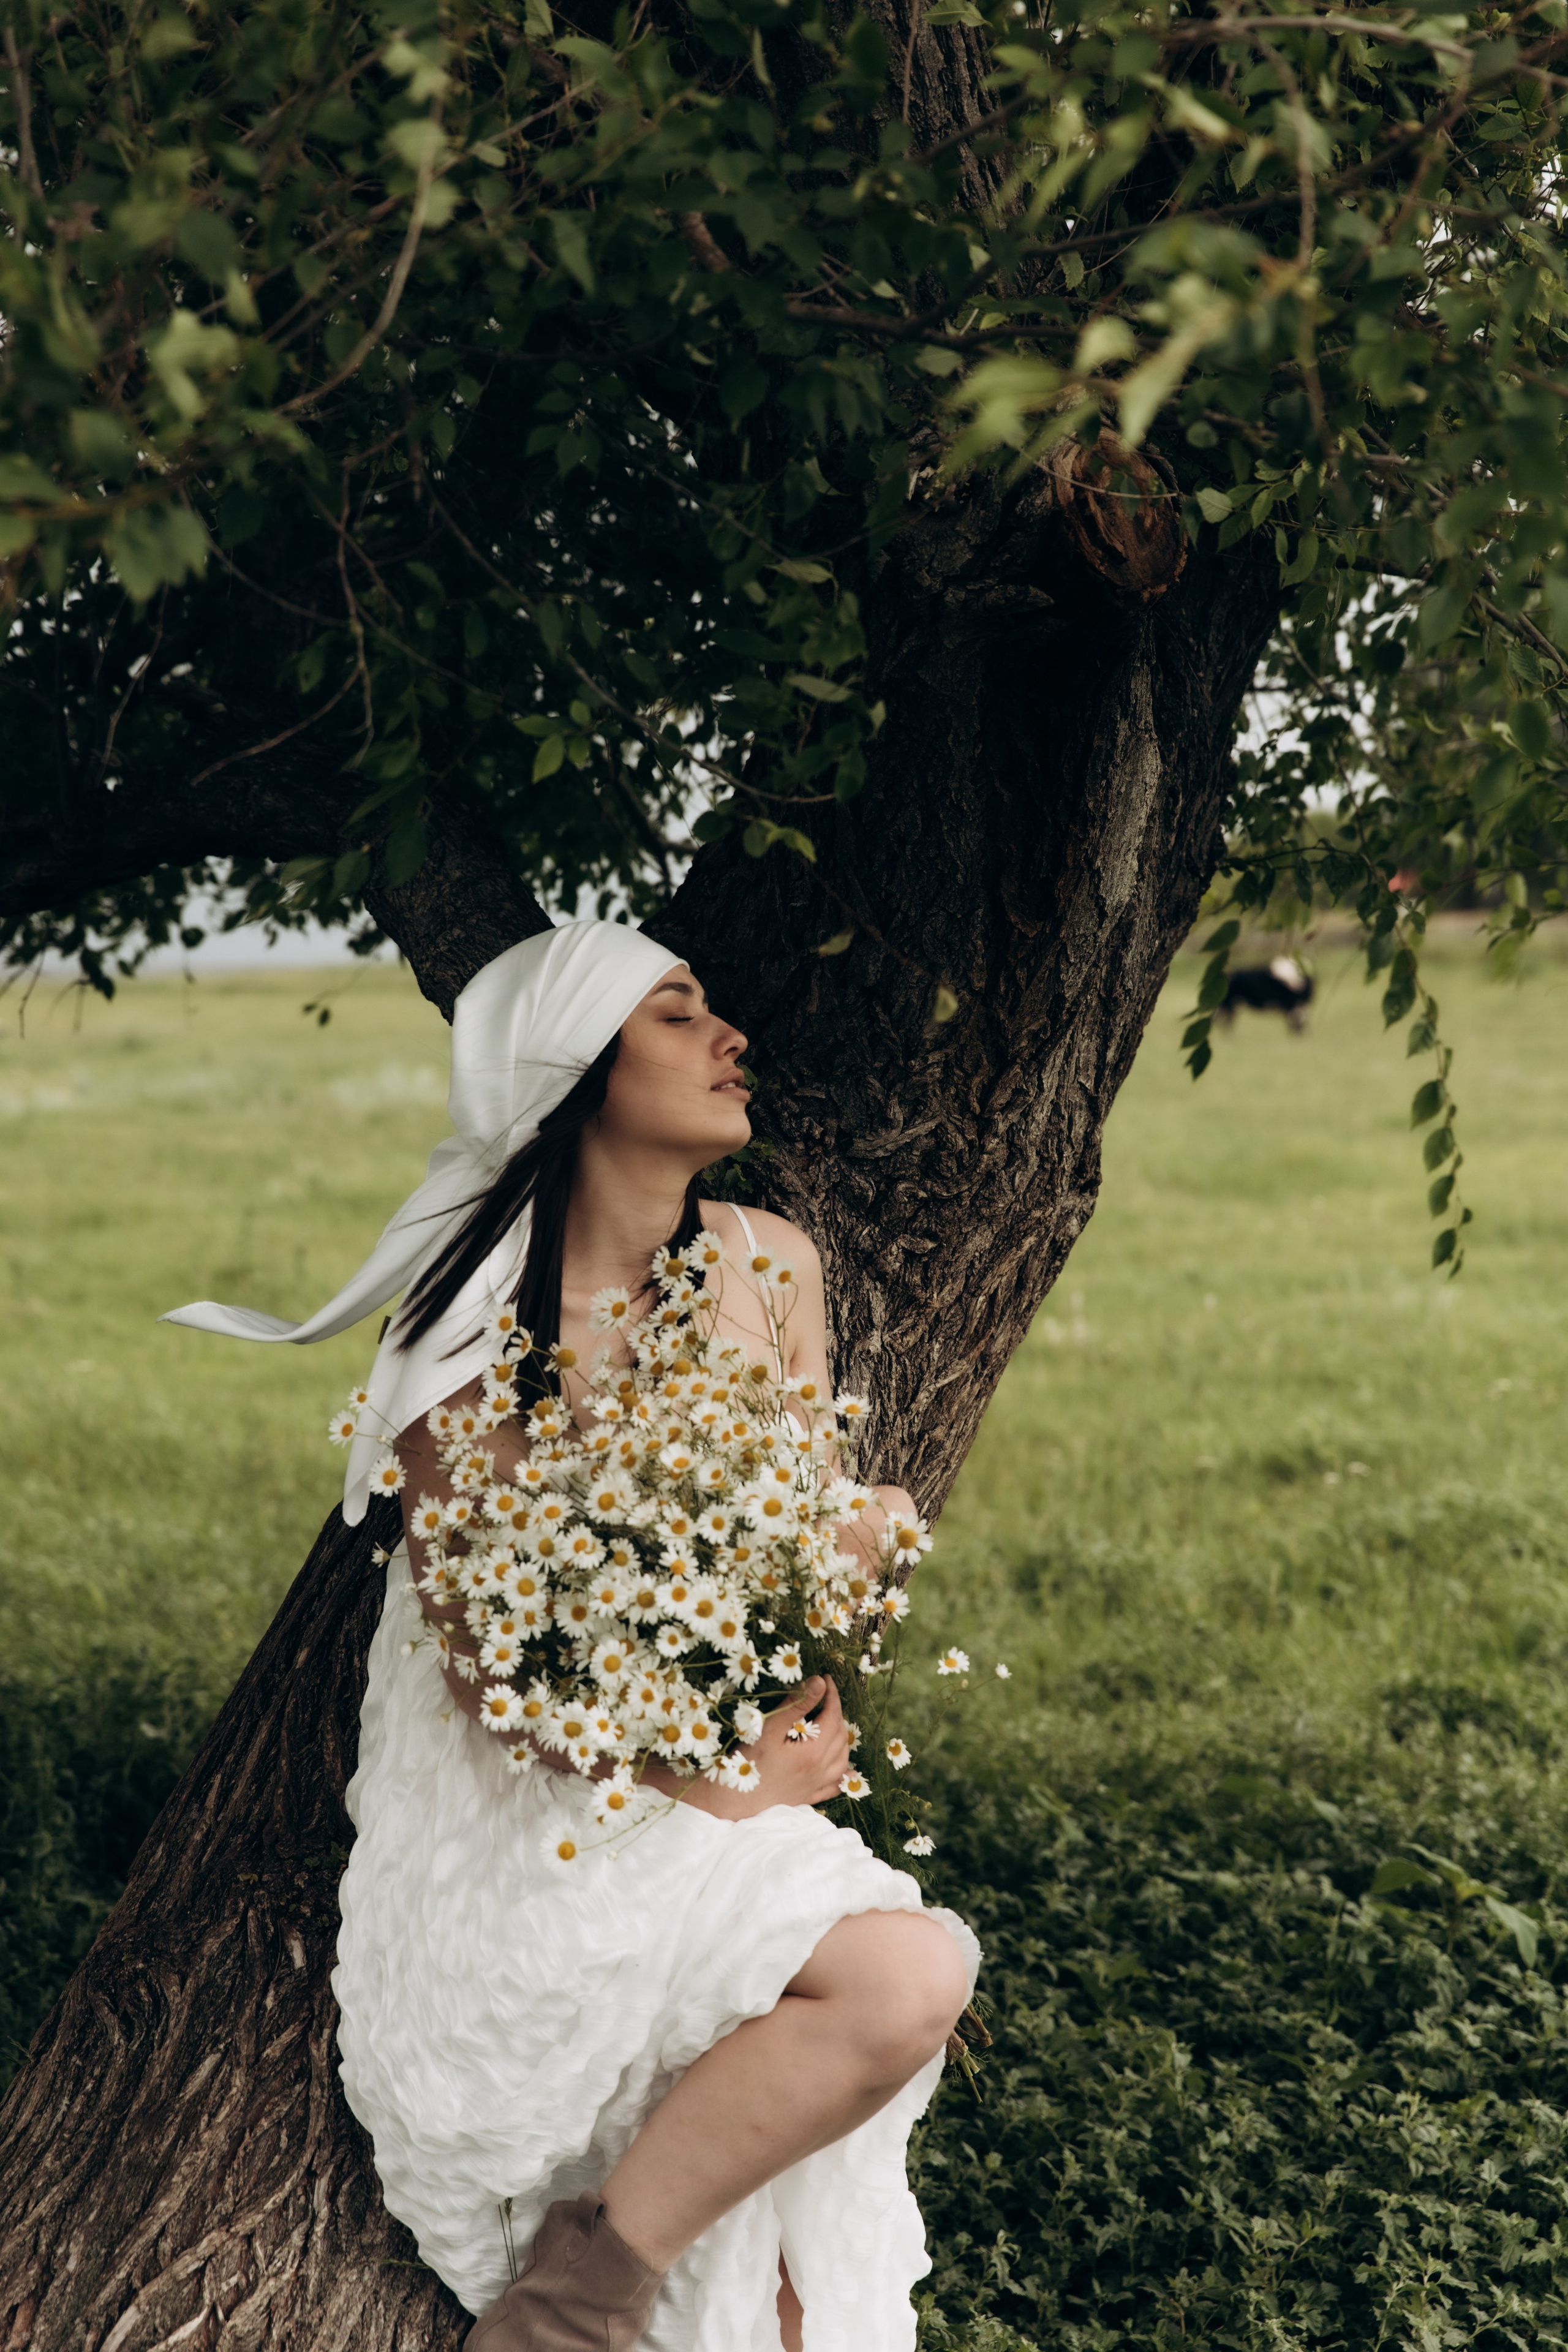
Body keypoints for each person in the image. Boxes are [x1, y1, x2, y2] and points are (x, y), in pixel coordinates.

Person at [163, 919, 977, 2352]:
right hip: (530, 1819)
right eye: (676, 1014)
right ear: (575, 1069)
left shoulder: (770, 1267)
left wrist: (862, 1537)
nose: (728, 1037)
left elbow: (788, 1545)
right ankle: (572, 2311)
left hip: (717, 1779)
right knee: (891, 1995)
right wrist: (719, 1787)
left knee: (866, 2078)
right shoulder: (472, 1329)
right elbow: (492, 1675)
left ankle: (576, 2306)